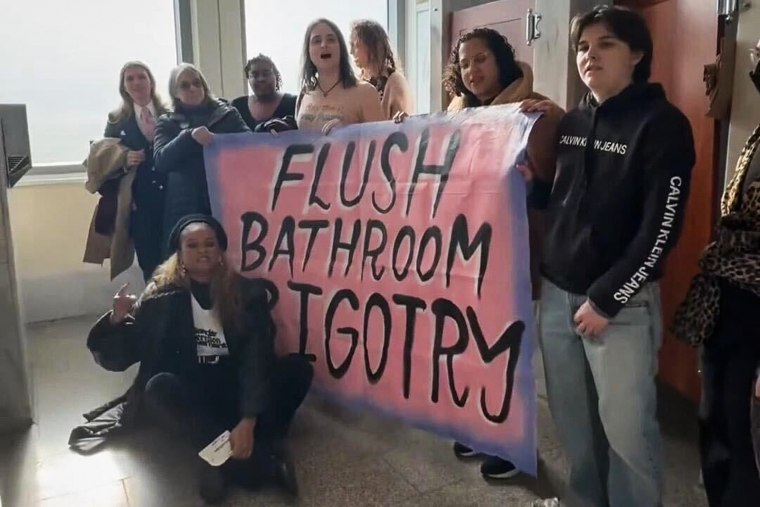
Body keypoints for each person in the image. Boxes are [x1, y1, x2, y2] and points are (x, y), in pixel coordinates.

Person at [527, 6, 695, 507]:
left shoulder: (662, 124)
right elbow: (568, 202)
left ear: (637, 54)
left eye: (606, 45)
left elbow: (660, 229)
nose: (589, 55)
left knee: (627, 438)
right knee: (575, 431)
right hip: (556, 297)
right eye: (583, 47)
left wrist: (607, 299)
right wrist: (535, 189)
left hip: (619, 307)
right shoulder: (575, 119)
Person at [86, 214, 313, 504]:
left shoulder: (248, 293)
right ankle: (253, 463)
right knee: (159, 387)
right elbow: (119, 359)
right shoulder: (159, 298)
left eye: (209, 243)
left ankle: (221, 458)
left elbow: (256, 358)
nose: (202, 250)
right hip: (195, 391)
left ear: (220, 252)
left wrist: (248, 419)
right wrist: (117, 320)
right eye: (192, 245)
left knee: (297, 369)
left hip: (237, 387)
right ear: (179, 255)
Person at [442, 27, 563, 481]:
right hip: (466, 252)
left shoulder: (539, 112)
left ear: (502, 60)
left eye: (481, 59)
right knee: (473, 346)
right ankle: (483, 428)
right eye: (465, 62)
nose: (472, 70)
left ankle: (516, 445)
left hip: (515, 250)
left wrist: (534, 185)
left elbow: (564, 189)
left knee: (511, 352)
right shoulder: (457, 116)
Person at [672, 37, 760, 507]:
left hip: (752, 293)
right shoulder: (757, 136)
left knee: (736, 417)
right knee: (717, 411)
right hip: (729, 291)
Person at [153, 64, 250, 245]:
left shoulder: (227, 114)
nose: (193, 88)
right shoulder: (167, 122)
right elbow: (161, 160)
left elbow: (251, 147)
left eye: (197, 83)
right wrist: (188, 137)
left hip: (226, 202)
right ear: (175, 92)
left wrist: (219, 141)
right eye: (185, 85)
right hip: (185, 207)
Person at [104, 61, 168, 281]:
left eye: (141, 77)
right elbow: (103, 162)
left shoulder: (170, 113)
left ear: (151, 81)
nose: (136, 82)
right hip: (139, 205)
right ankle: (155, 311)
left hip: (172, 200)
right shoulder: (116, 121)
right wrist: (123, 159)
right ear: (123, 86)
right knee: (150, 264)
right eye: (129, 78)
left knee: (176, 260)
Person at [296, 18, 385, 134]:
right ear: (308, 51)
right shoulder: (304, 93)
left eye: (331, 39)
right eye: (316, 41)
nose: (324, 45)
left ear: (341, 48)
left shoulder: (365, 92)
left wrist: (350, 131)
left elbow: (381, 141)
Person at [350, 19, 414, 120]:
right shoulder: (358, 82)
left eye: (355, 45)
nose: (351, 52)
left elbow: (403, 127)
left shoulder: (394, 82)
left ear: (371, 47)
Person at [231, 54, 298, 132]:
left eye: (266, 74)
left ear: (276, 76)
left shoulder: (294, 103)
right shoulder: (237, 106)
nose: (261, 79)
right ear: (248, 78)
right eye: (255, 75)